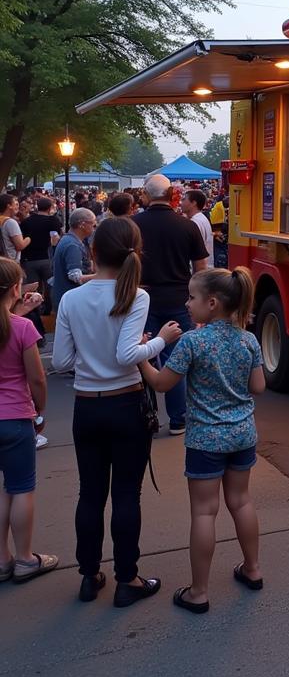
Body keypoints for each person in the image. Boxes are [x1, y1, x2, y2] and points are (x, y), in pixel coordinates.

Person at [52, 217, 181, 605]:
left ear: (93, 252)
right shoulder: (135, 297)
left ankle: (89, 575)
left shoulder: (72, 299)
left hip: (86, 406)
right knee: (127, 494)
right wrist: (160, 340)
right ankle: (128, 578)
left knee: (90, 493)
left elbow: (60, 360)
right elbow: (127, 354)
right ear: (133, 253)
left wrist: (91, 354)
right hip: (125, 404)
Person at [141, 267, 265, 613]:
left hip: (206, 440)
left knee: (204, 513)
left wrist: (143, 359)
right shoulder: (248, 339)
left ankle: (199, 591)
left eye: (192, 297)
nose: (187, 303)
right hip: (242, 435)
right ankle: (252, 569)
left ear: (211, 303)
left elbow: (163, 383)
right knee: (241, 501)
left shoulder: (192, 342)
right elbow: (258, 387)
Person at [134, 174, 208, 436]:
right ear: (170, 195)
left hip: (142, 300)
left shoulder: (133, 225)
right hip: (178, 299)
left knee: (141, 356)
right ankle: (178, 418)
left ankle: (145, 415)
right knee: (177, 361)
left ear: (146, 194)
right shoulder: (187, 226)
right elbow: (200, 269)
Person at [0, 257, 55, 584]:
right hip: (16, 417)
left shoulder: (15, 323)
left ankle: (2, 559)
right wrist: (38, 412)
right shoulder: (23, 328)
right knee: (20, 488)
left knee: (5, 489)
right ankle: (24, 558)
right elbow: (37, 379)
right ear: (17, 289)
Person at [20, 197, 62, 315]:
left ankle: (34, 311)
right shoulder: (53, 221)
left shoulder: (26, 222)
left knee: (33, 288)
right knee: (49, 286)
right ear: (49, 208)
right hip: (47, 258)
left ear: (37, 206)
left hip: (29, 259)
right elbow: (56, 239)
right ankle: (48, 309)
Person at [50, 208, 97, 311]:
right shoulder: (72, 245)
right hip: (70, 301)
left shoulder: (69, 240)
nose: (94, 228)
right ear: (82, 224)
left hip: (65, 298)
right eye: (93, 225)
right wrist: (100, 276)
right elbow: (75, 277)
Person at [182, 190, 214, 260]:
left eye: (184, 199)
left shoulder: (195, 222)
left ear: (193, 203)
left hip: (199, 267)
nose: (181, 202)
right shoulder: (201, 218)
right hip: (206, 265)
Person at [0, 194, 30, 264]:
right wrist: (29, 238)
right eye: (16, 204)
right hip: (11, 262)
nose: (18, 207)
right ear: (9, 206)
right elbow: (20, 246)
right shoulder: (10, 222)